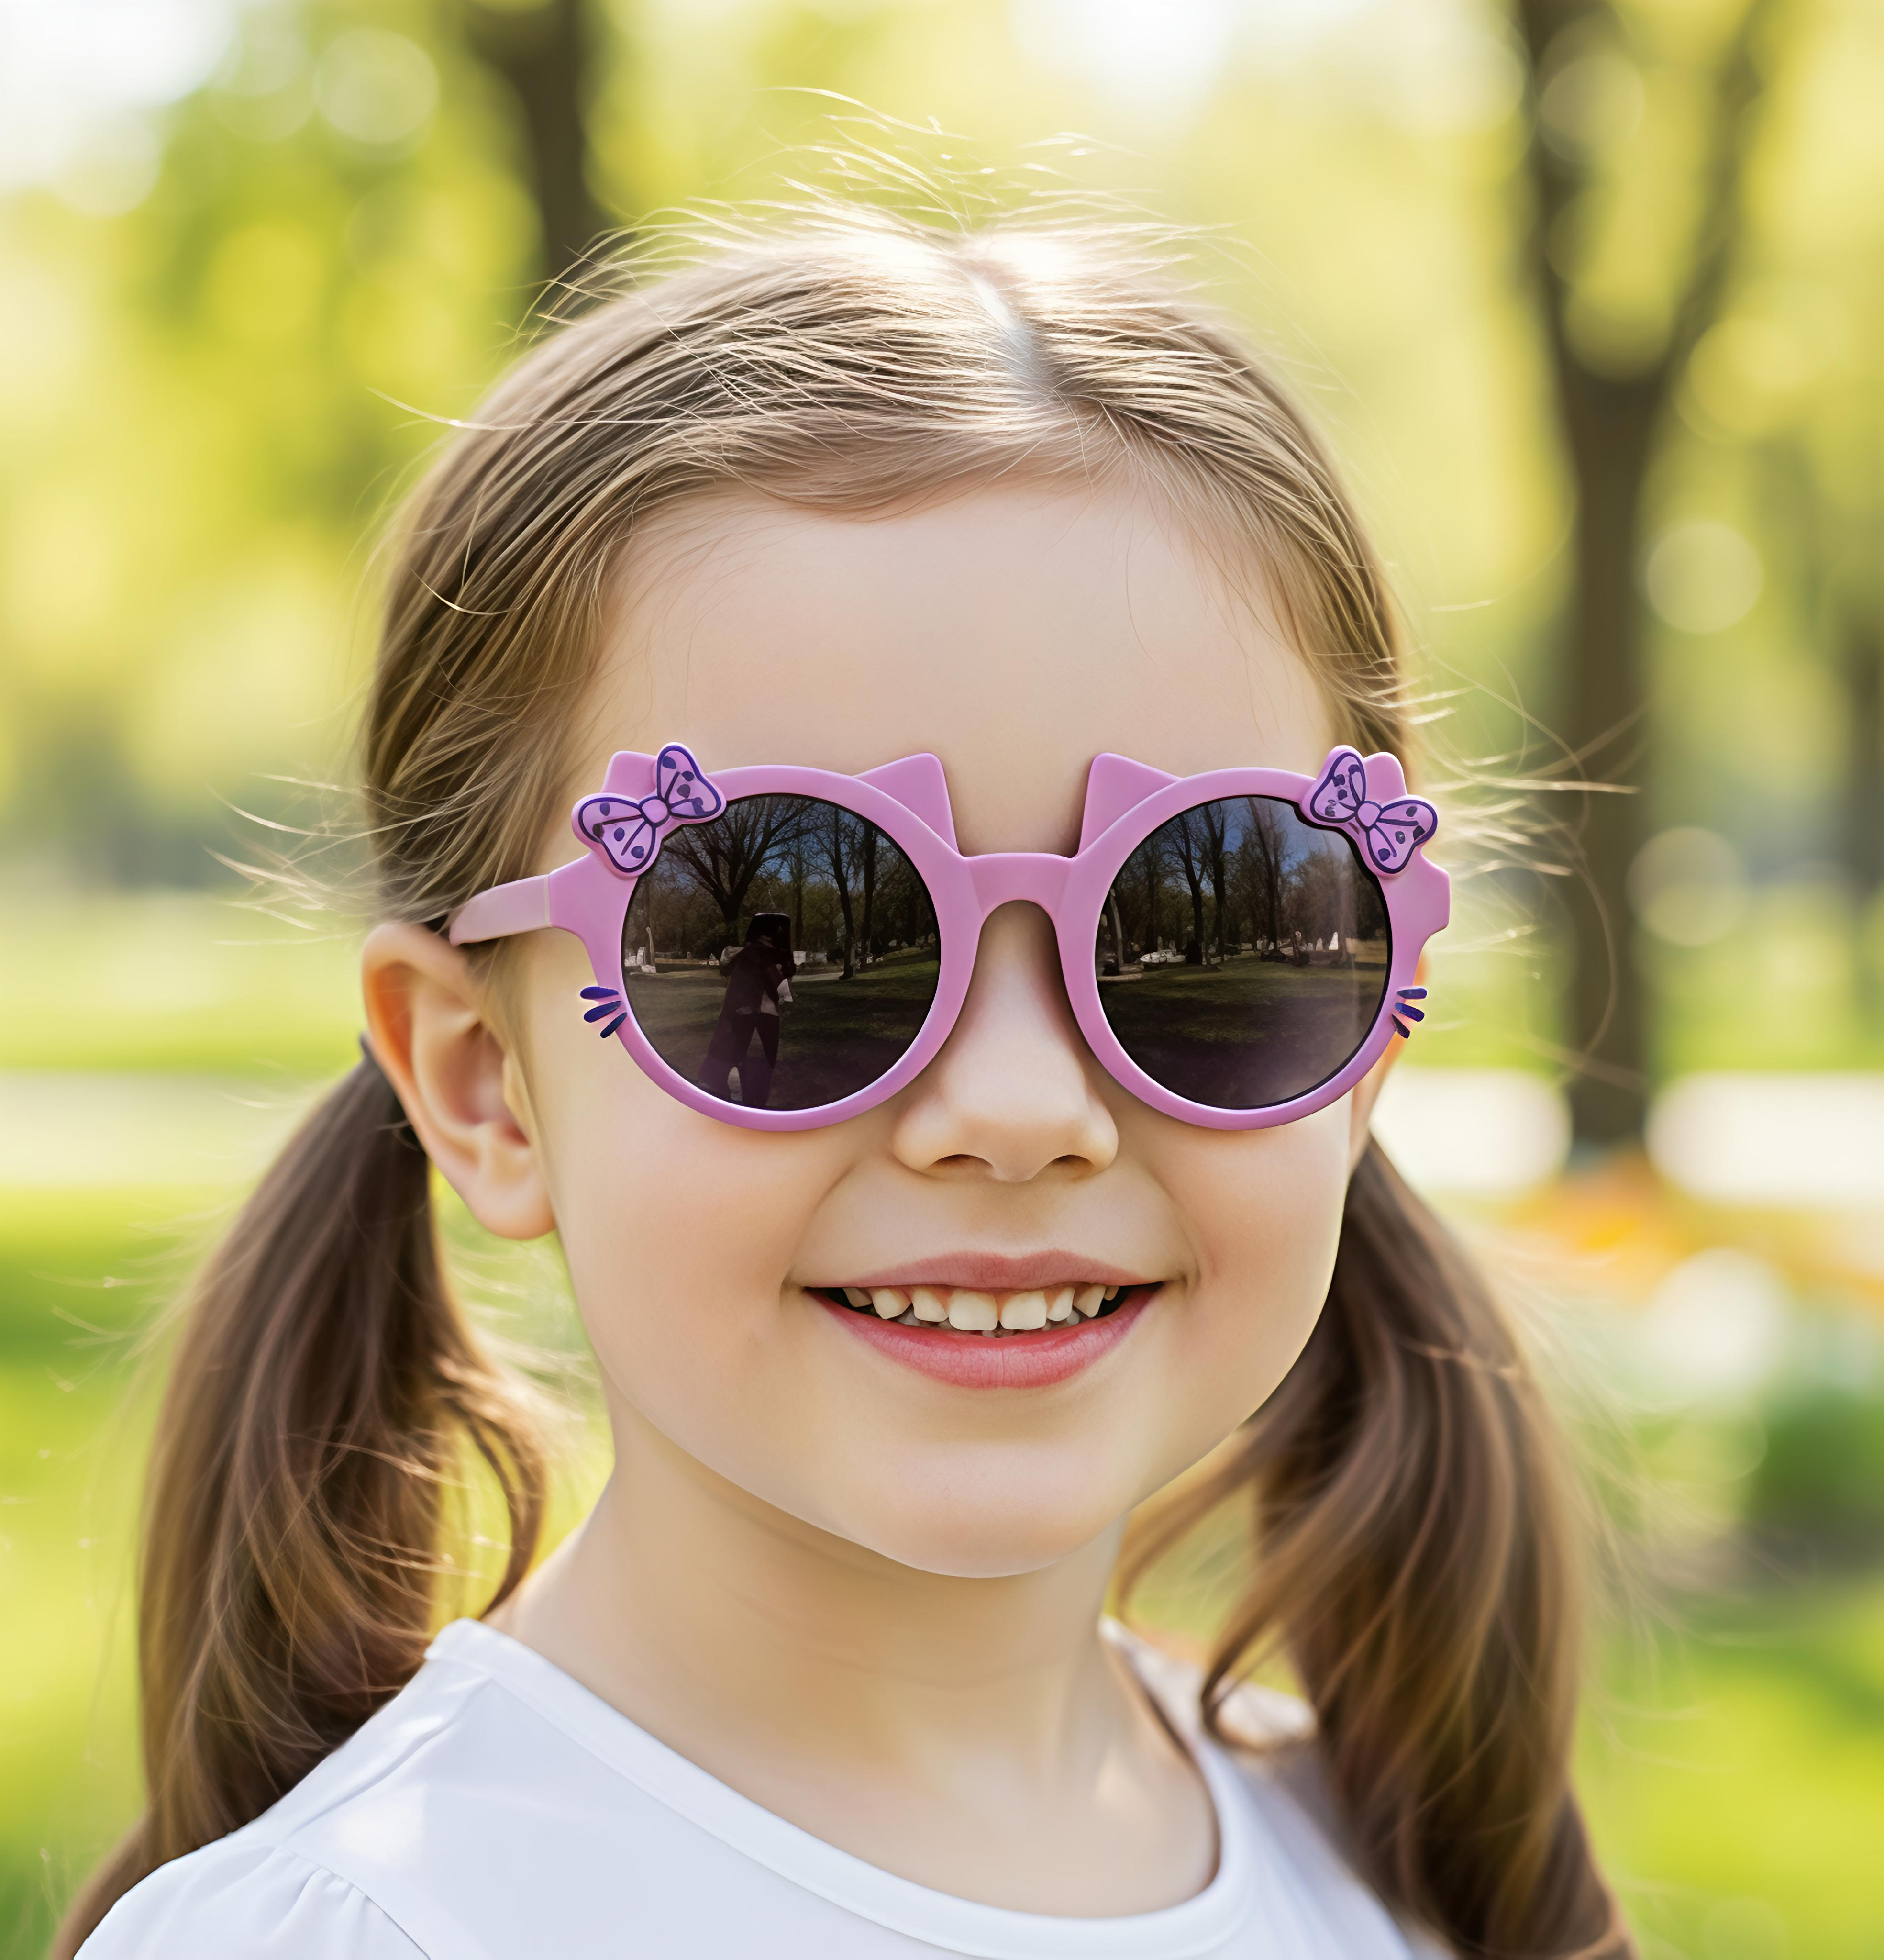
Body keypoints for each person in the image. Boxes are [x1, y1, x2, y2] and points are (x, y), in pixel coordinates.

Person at [63, 210, 1631, 1960]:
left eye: (1212, 923)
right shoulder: (359, 1931)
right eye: (805, 925)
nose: (1022, 1104)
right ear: (483, 1083)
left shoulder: (1374, 1864)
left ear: (1369, 1049)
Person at [699, 913, 793, 1106]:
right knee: (716, 1076)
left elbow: (783, 991)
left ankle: (749, 1108)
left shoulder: (771, 957)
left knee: (757, 1083)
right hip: (739, 1024)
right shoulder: (748, 956)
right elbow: (782, 991)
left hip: (763, 1025)